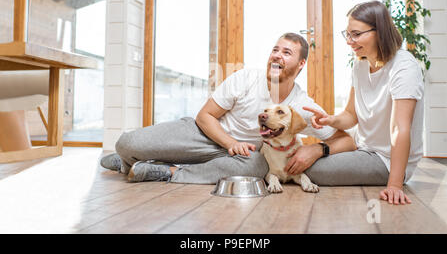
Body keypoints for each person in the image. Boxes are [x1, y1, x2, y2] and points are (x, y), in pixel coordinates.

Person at [100, 32, 356, 184]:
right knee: (126, 143)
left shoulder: (303, 105)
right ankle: (128, 161)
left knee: (257, 166)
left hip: (242, 158)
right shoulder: (245, 78)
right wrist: (230, 142)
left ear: (300, 65)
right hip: (205, 135)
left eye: (286, 53)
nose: (276, 55)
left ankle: (168, 172)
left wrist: (316, 149)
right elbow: (205, 116)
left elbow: (347, 142)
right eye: (275, 49)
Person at [302, 0, 424, 206]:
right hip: (364, 150)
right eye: (348, 34)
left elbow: (399, 129)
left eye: (356, 34)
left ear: (380, 31)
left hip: (387, 161)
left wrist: (394, 184)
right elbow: (351, 115)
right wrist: (330, 119)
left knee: (308, 168)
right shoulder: (360, 67)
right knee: (303, 159)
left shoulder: (404, 67)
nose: (349, 41)